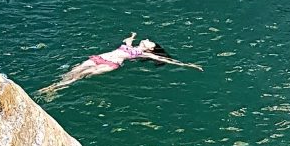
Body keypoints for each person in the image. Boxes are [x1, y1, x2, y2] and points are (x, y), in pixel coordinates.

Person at [38, 32, 202, 97]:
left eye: (151, 42)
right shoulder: (131, 46)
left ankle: (54, 89)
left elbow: (165, 60)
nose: (148, 40)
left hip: (111, 63)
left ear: (151, 48)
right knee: (76, 70)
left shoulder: (142, 53)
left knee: (82, 75)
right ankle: (56, 85)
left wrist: (189, 65)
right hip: (100, 57)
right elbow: (127, 41)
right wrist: (132, 35)